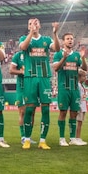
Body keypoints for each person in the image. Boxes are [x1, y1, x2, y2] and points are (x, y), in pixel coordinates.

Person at [19, 18, 60, 150]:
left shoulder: (47, 39)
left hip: (44, 77)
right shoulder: (24, 38)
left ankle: (43, 140)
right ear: (28, 26)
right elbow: (23, 47)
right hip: (30, 77)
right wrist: (31, 33)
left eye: (36, 23)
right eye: (31, 23)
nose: (34, 25)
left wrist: (55, 33)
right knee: (29, 109)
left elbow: (57, 49)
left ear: (40, 25)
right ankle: (26, 139)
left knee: (46, 108)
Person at [52, 32, 88, 146]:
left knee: (73, 113)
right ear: (63, 41)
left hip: (74, 88)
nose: (70, 40)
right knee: (63, 112)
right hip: (64, 88)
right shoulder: (58, 54)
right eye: (67, 39)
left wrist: (83, 58)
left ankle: (72, 138)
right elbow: (56, 69)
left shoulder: (77, 55)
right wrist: (64, 58)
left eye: (71, 39)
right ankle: (62, 138)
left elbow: (84, 69)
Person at [75, 69, 88, 145]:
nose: (85, 78)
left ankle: (78, 137)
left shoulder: (81, 85)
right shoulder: (78, 85)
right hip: (79, 106)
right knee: (79, 122)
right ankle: (77, 137)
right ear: (79, 77)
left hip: (82, 106)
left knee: (80, 122)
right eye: (84, 76)